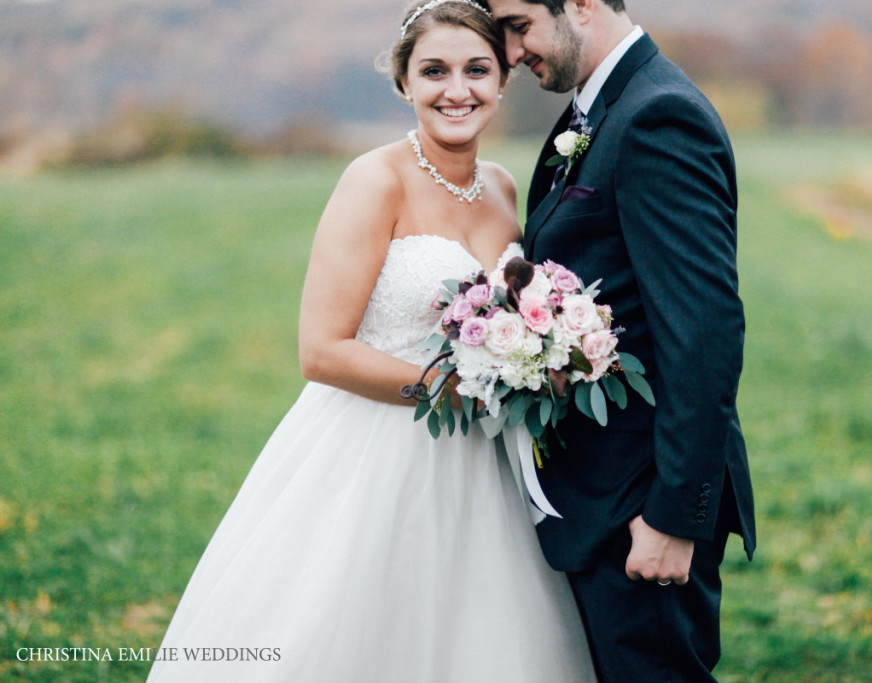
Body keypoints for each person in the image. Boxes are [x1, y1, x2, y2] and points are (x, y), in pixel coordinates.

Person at [146, 1, 596, 680]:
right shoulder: (373, 179)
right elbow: (321, 349)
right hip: (375, 452)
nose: (457, 90)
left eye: (477, 70)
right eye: (434, 71)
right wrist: (453, 386)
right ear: (404, 82)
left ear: (502, 80)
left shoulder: (503, 186)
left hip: (486, 463)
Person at [480, 1, 757, 681]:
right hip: (600, 495)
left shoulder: (659, 116)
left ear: (579, 4)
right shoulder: (596, 110)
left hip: (642, 503)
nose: (512, 53)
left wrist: (674, 516)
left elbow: (706, 327)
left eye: (519, 26)